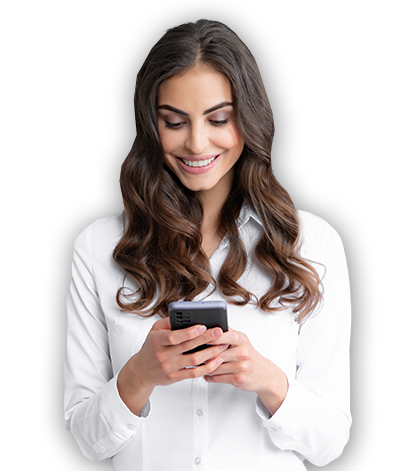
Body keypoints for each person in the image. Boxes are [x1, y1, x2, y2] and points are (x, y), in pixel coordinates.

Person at [64, 19, 352, 470]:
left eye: (219, 118)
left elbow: (329, 443)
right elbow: (87, 439)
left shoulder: (312, 244)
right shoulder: (99, 247)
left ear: (250, 117)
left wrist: (268, 381)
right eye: (174, 122)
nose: (197, 143)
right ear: (150, 123)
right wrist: (139, 376)